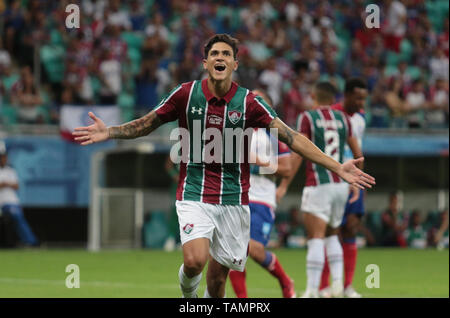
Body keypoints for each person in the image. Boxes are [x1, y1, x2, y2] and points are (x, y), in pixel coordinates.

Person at [73, 34, 375, 298]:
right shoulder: (185, 94)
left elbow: (293, 138)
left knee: (218, 280)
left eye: (226, 54)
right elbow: (148, 122)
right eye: (214, 54)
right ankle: (189, 294)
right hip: (194, 193)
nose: (220, 57)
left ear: (234, 65)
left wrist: (337, 167)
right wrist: (110, 131)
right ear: (206, 63)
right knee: (194, 262)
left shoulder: (249, 103)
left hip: (234, 200)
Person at [277, 81, 364, 298]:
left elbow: (298, 152)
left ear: (314, 97)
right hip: (340, 186)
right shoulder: (344, 118)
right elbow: (358, 153)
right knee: (333, 235)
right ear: (334, 99)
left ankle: (313, 290)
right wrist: (355, 182)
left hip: (318, 184)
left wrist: (285, 184)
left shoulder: (308, 117)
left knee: (316, 237)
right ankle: (336, 287)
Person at [228, 89, 296, 298]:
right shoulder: (235, 130)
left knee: (254, 249)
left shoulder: (273, 133)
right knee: (232, 253)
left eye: (258, 99)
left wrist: (256, 163)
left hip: (262, 199)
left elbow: (286, 168)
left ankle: (285, 281)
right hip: (236, 196)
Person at [319, 78, 369, 298]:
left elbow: (359, 151)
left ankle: (347, 287)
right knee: (331, 230)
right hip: (334, 177)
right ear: (346, 95)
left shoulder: (361, 117)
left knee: (350, 227)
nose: (360, 102)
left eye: (363, 98)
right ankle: (323, 287)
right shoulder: (332, 115)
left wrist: (357, 180)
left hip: (354, 179)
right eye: (357, 97)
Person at [0, 142, 39, 247]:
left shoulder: (10, 170)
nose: (4, 159)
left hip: (13, 202)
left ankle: (30, 241)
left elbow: (16, 186)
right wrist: (6, 184)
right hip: (3, 203)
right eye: (2, 157)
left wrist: (5, 183)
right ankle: (30, 241)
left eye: (5, 157)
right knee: (17, 218)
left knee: (18, 218)